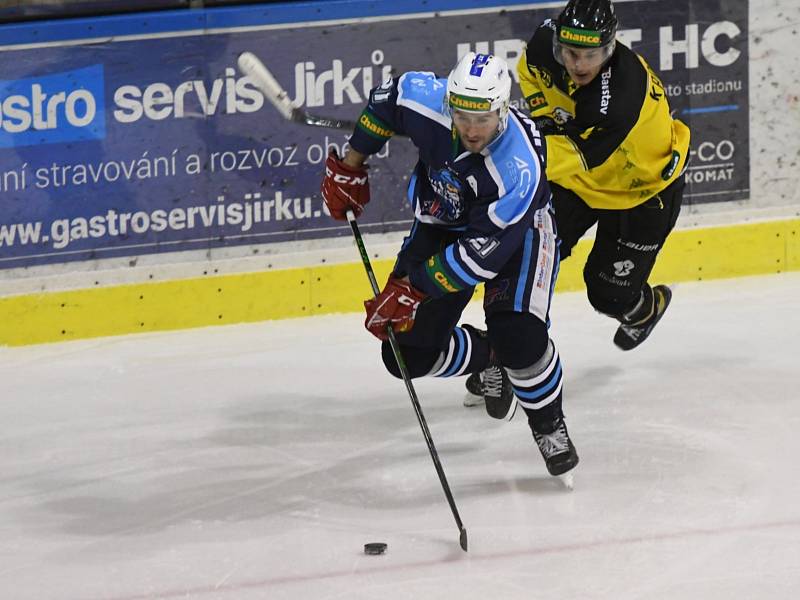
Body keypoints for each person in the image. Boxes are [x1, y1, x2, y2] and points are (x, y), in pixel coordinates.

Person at [320, 53, 578, 479]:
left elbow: (481, 256)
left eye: (484, 119)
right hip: (442, 219)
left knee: (520, 337)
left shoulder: (517, 167)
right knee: (403, 352)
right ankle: (491, 358)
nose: (472, 129)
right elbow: (387, 102)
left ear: (502, 110)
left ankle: (548, 423)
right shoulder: (429, 100)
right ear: (449, 106)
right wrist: (351, 165)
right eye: (463, 116)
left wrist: (414, 287)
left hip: (517, 233)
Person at [466, 0, 690, 401]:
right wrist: (542, 115)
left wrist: (497, 155)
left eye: (592, 55)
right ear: (558, 42)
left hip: (642, 191)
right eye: (571, 53)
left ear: (610, 47)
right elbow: (528, 73)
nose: (580, 64)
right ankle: (506, 353)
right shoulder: (541, 47)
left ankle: (645, 308)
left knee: (607, 294)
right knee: (524, 258)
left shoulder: (621, 96)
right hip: (582, 181)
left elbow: (567, 156)